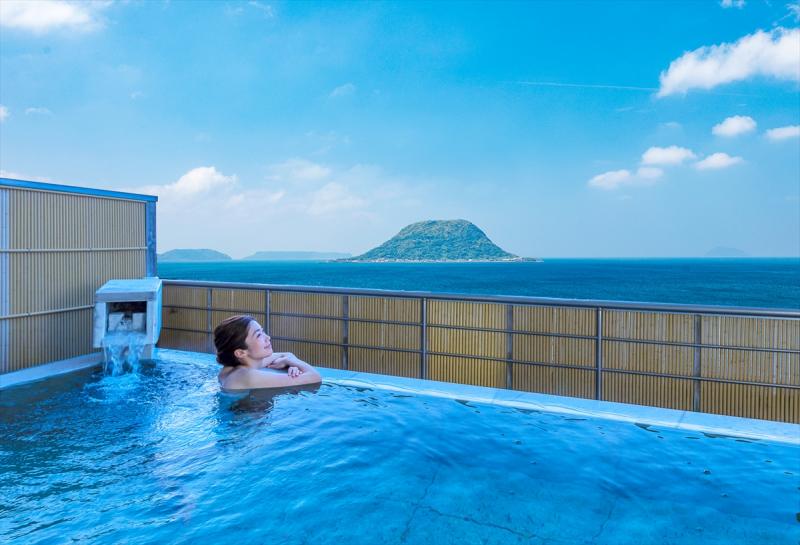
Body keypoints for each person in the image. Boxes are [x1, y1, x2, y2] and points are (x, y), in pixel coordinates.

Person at [213, 314, 321, 390]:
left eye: (262, 331)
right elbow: (315, 377)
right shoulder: (248, 376)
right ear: (241, 353)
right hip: (250, 417)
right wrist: (290, 361)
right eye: (258, 335)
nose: (268, 337)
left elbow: (287, 354)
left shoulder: (230, 368)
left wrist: (288, 360)